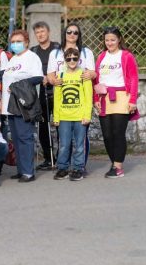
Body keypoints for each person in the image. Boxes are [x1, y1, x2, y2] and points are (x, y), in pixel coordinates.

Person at [47, 22, 96, 170]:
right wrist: (54, 80)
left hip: (80, 101)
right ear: (65, 34)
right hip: (62, 102)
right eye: (69, 32)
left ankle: (79, 167)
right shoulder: (55, 53)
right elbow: (50, 76)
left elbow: (93, 73)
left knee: (80, 141)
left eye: (76, 32)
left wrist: (89, 74)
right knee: (64, 141)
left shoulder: (86, 52)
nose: (72, 35)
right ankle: (63, 167)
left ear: (79, 35)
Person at [94, 26, 139, 178]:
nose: (110, 42)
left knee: (118, 133)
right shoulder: (101, 56)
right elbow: (96, 79)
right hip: (104, 98)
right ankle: (114, 161)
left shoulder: (126, 56)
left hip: (121, 97)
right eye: (107, 40)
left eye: (113, 39)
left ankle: (118, 166)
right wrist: (96, 99)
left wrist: (132, 100)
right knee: (107, 135)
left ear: (119, 39)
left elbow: (133, 78)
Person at [1, 30, 44, 183]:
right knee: (17, 138)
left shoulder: (31, 57)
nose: (15, 44)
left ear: (26, 42)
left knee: (25, 137)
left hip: (23, 104)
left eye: (18, 41)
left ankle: (28, 172)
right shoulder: (12, 59)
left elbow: (38, 77)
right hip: (9, 105)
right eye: (13, 42)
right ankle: (21, 169)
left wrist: (17, 86)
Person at [53, 48, 93, 181]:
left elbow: (89, 98)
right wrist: (56, 116)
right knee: (64, 144)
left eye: (74, 58)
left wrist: (87, 115)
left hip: (79, 116)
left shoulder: (84, 76)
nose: (71, 61)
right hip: (64, 117)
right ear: (65, 60)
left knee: (79, 144)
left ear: (78, 60)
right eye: (68, 58)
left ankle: (78, 168)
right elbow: (57, 98)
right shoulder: (61, 76)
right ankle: (63, 168)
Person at [31, 21, 61, 171]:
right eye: (37, 32)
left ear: (48, 32)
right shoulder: (33, 51)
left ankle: (62, 158)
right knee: (43, 127)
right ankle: (49, 158)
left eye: (42, 31)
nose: (40, 34)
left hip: (57, 92)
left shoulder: (57, 49)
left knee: (60, 125)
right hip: (40, 93)